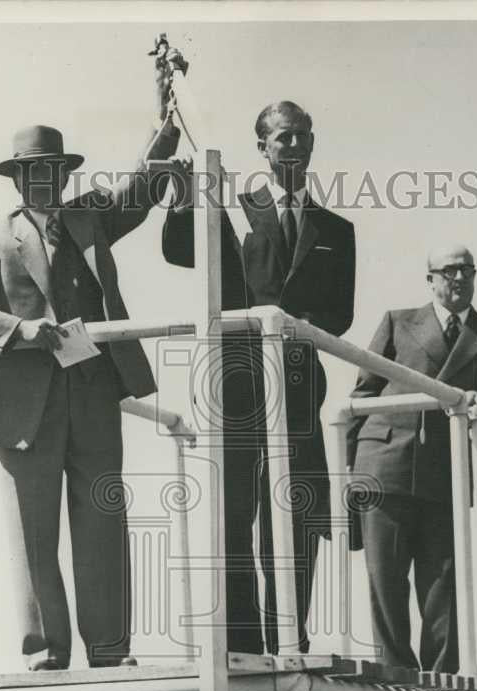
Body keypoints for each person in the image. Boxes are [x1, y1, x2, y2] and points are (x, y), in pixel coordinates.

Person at [0, 53, 180, 671]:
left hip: (96, 391)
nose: (43, 180)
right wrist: (22, 329)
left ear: (65, 173)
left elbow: (144, 186)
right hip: (28, 406)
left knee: (102, 519)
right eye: (32, 171)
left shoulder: (91, 215)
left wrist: (167, 112)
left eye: (52, 169)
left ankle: (109, 649)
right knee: (34, 529)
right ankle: (48, 650)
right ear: (17, 179)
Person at [163, 100, 355, 656]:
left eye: (301, 136)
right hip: (238, 384)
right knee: (236, 511)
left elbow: (339, 316)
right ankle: (243, 644)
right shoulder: (234, 207)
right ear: (262, 147)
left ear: (312, 143)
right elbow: (182, 253)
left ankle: (289, 637)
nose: (292, 146)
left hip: (296, 389)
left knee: (295, 511)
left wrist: (295, 325)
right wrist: (188, 195)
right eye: (281, 138)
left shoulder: (335, 230)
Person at [348, 244, 477, 673]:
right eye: (449, 270)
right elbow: (362, 394)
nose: (459, 278)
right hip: (385, 461)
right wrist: (346, 475)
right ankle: (397, 677)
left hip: (447, 469)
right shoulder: (398, 322)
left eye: (467, 270)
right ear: (430, 279)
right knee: (386, 579)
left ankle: (441, 683)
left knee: (444, 583)